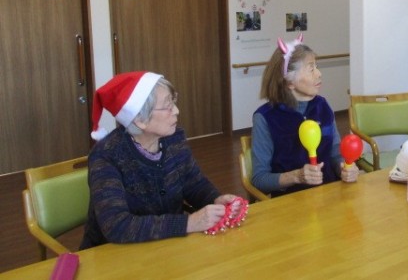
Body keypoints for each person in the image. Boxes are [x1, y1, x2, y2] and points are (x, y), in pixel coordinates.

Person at [80, 71, 246, 249]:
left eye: (173, 101)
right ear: (140, 120)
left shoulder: (174, 139)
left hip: (168, 245)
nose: (176, 110)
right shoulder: (107, 155)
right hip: (114, 253)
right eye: (168, 106)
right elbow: (117, 226)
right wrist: (188, 223)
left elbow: (194, 184)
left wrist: (215, 199)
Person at [251, 34, 359, 197]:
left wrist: (345, 168)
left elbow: (336, 155)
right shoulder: (265, 118)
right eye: (311, 69)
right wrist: (296, 176)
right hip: (290, 202)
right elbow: (259, 180)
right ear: (289, 82)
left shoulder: (323, 106)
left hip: (329, 194)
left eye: (317, 67)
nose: (319, 74)